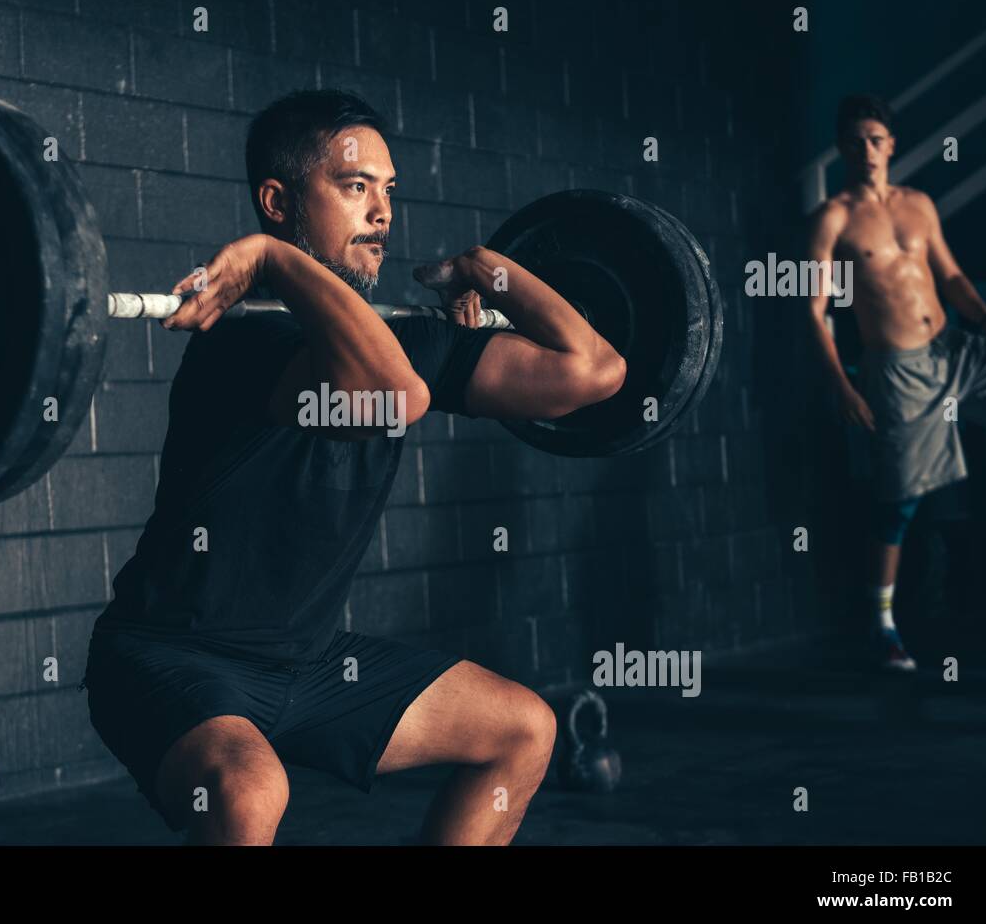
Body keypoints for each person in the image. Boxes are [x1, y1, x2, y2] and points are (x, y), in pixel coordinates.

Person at [80, 89, 626, 845]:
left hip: (305, 666)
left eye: (389, 190)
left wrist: (488, 268)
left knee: (524, 727)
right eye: (354, 185)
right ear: (278, 200)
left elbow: (595, 369)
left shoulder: (406, 340)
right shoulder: (242, 344)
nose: (382, 212)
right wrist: (273, 259)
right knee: (249, 792)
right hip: (171, 659)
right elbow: (391, 395)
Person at [806, 93, 986, 672]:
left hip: (955, 350)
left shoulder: (918, 206)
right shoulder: (834, 218)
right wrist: (843, 385)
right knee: (900, 503)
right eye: (856, 141)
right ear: (843, 149)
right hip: (898, 371)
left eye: (876, 139)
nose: (867, 150)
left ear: (891, 145)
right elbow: (813, 311)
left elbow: (953, 275)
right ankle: (882, 624)